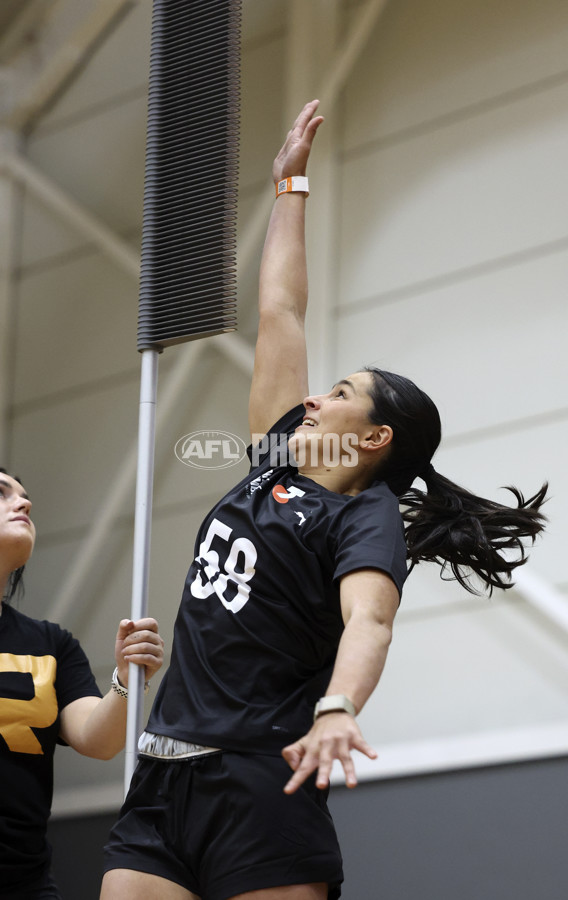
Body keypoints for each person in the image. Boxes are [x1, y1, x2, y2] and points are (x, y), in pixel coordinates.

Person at [100, 100, 547, 900]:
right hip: (162, 778)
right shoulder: (274, 456)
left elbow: (370, 620)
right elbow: (282, 308)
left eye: (337, 393)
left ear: (374, 438)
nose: (312, 400)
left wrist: (339, 707)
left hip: (258, 785)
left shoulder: (362, 518)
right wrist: (290, 187)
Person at [0, 464, 165, 899]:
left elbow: (98, 740)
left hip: (23, 883)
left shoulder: (51, 643)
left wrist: (128, 677)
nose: (24, 503)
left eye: (24, 497)